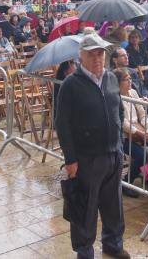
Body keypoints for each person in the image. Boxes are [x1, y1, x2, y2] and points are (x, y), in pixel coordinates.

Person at [55, 33, 128, 259]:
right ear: (81, 56)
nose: (97, 58)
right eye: (92, 54)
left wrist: (120, 144)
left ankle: (113, 244)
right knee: (85, 208)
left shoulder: (111, 79)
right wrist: (71, 160)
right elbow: (62, 123)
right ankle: (85, 251)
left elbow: (119, 110)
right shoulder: (71, 84)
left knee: (113, 205)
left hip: (112, 154)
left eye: (101, 53)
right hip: (87, 158)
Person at [115, 68, 148, 196]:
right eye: (126, 79)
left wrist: (147, 129)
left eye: (130, 78)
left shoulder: (133, 93)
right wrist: (139, 133)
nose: (130, 81)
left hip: (139, 132)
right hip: (124, 137)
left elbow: (142, 113)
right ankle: (126, 181)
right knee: (143, 156)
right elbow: (122, 122)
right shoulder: (116, 98)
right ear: (118, 82)